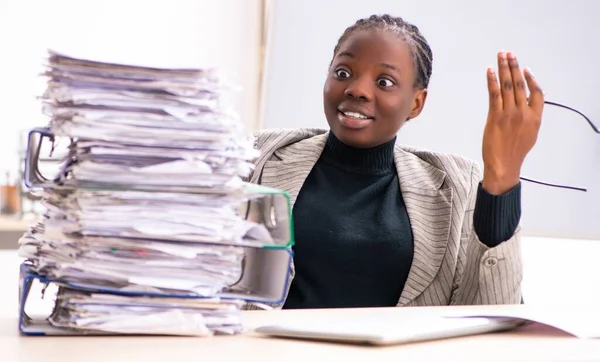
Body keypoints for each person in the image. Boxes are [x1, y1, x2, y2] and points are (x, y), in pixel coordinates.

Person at [246, 14, 543, 309]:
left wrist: (502, 177)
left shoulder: (458, 184)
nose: (357, 89)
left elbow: (493, 314)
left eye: (384, 81)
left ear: (416, 103)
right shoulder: (257, 156)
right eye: (343, 73)